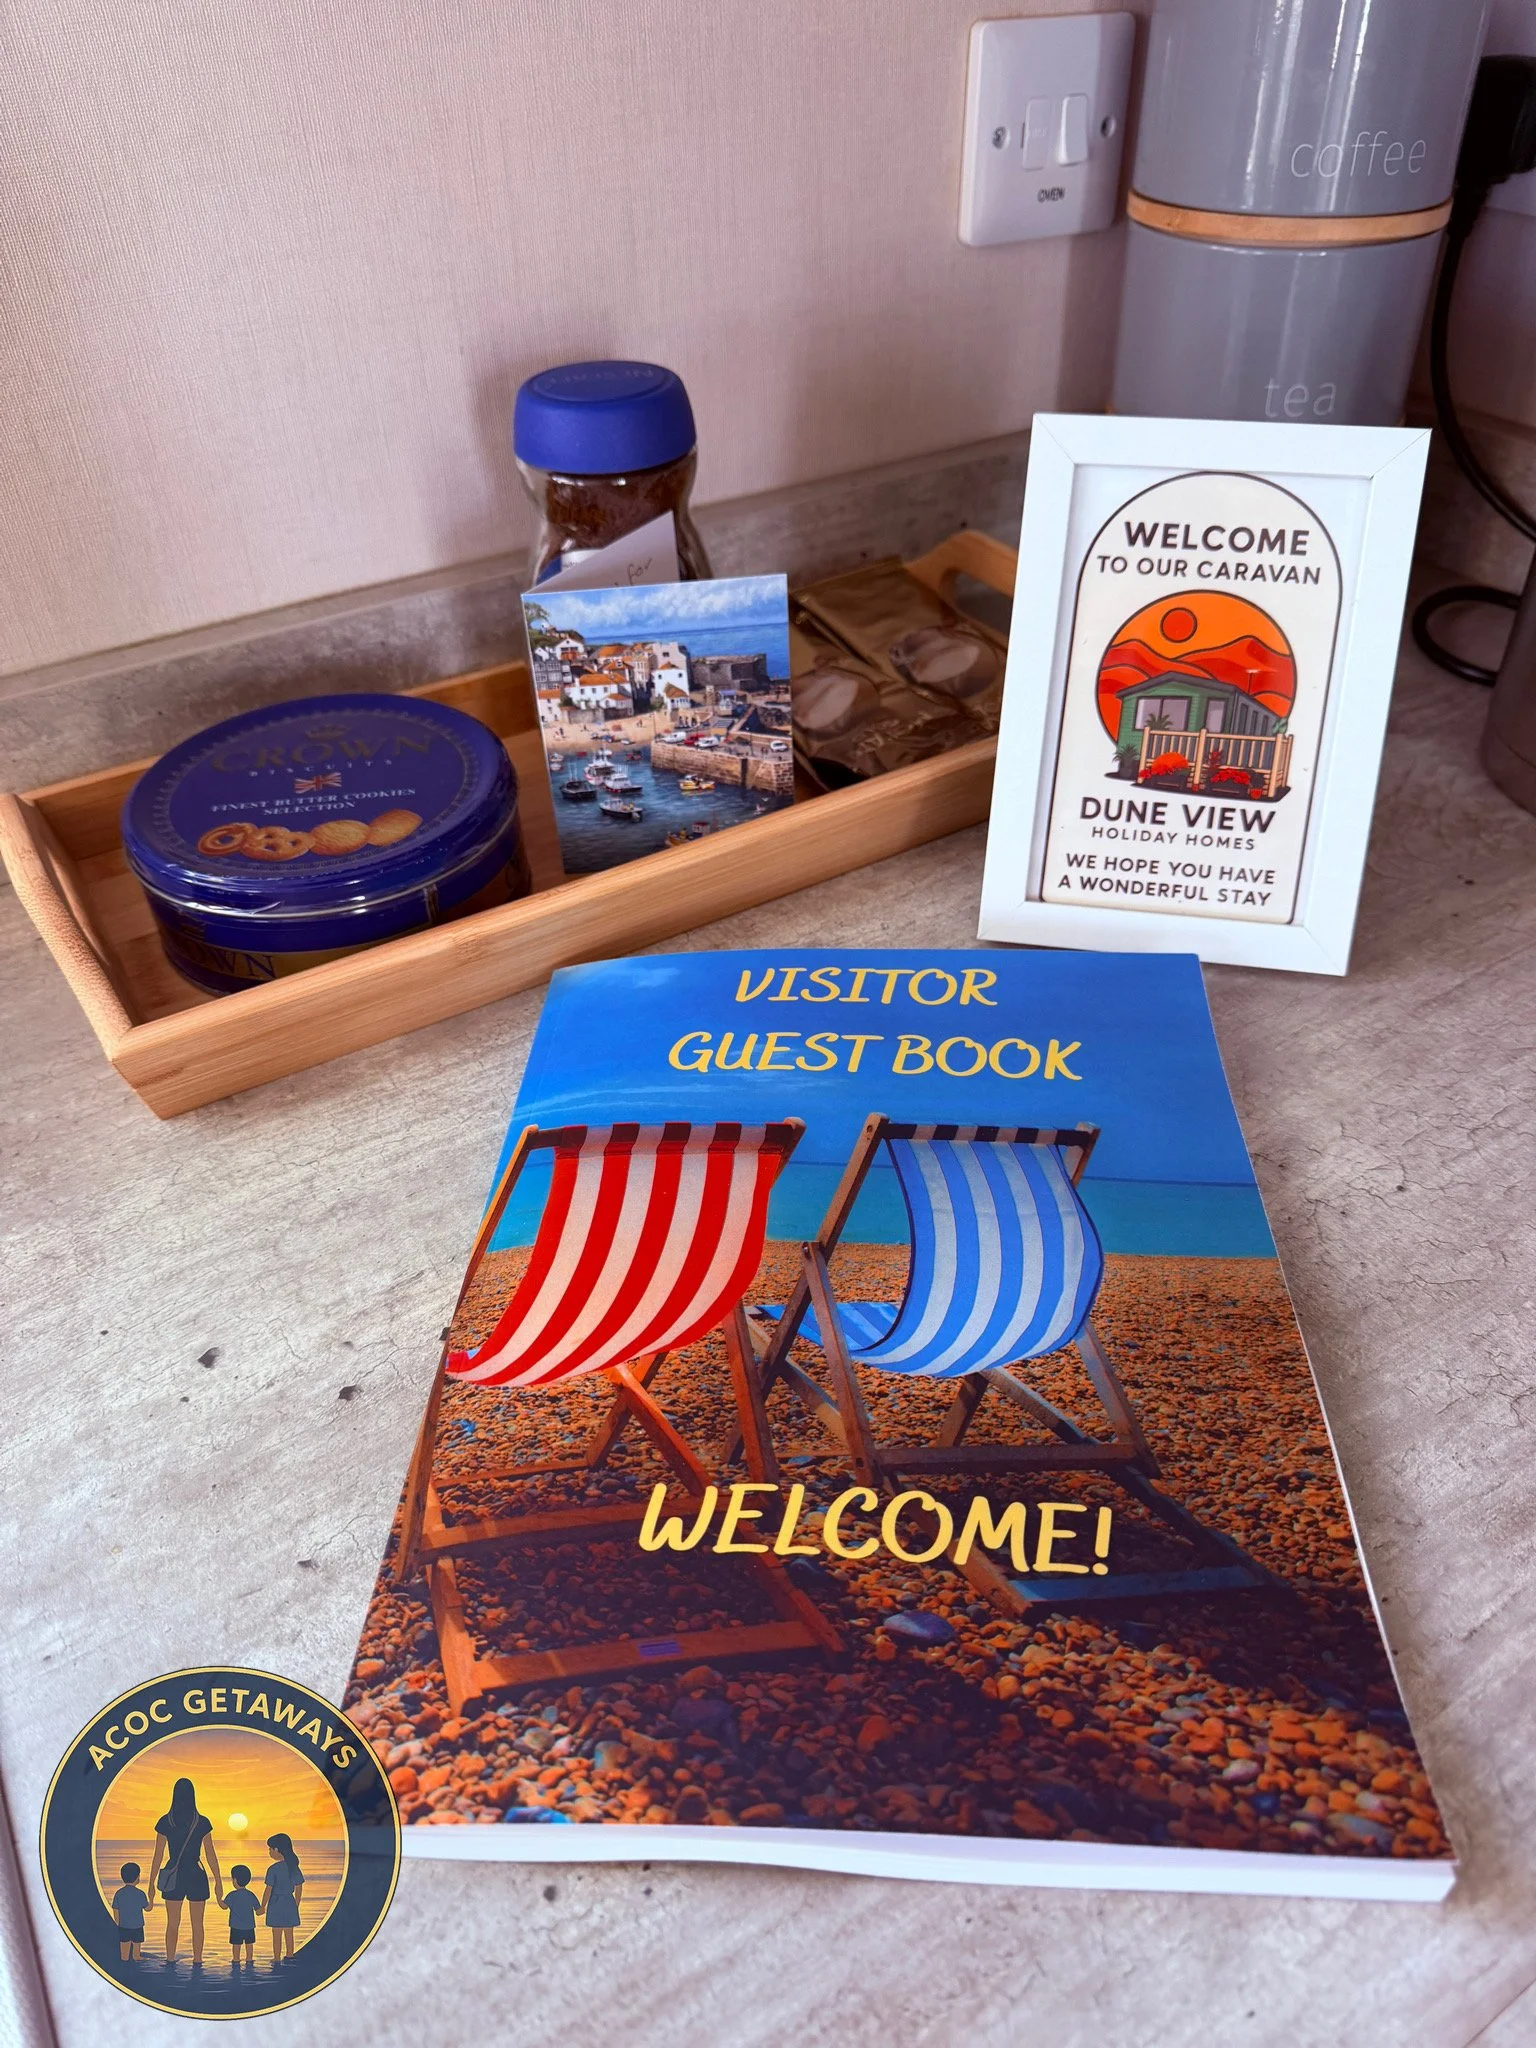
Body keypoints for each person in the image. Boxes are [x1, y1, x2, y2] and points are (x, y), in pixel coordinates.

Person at [145, 1777, 222, 1967]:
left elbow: (158, 1856)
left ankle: (170, 1960)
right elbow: (210, 1854)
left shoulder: (166, 1821)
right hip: (196, 1873)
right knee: (198, 1924)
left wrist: (151, 1884)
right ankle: (198, 1961)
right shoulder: (202, 1822)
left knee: (172, 1923)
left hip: (174, 1875)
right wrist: (218, 1881)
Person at [260, 1834, 303, 1965]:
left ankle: (276, 1957)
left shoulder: (273, 1869)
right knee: (289, 1932)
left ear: (277, 1850)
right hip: (289, 1901)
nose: (269, 1852)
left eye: (270, 1849)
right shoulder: (293, 1867)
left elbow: (268, 1890)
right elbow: (299, 1886)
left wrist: (262, 1906)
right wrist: (296, 1903)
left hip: (276, 1903)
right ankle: (290, 1954)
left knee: (276, 1932)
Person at [111, 1862, 149, 1962]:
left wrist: (118, 1923)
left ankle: (125, 1965)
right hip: (137, 1927)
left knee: (124, 1955)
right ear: (137, 1877)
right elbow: (147, 1908)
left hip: (124, 1927)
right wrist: (152, 1899)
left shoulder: (119, 1893)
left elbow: (115, 1909)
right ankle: (137, 1959)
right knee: (137, 1954)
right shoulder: (141, 1894)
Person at [221, 1864, 259, 1968]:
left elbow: (224, 1906)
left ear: (235, 1880)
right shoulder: (251, 1895)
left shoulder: (232, 1895)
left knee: (236, 1946)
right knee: (249, 1945)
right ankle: (249, 1960)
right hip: (249, 1926)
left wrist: (218, 1898)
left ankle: (236, 1960)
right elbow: (258, 1909)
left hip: (236, 1927)